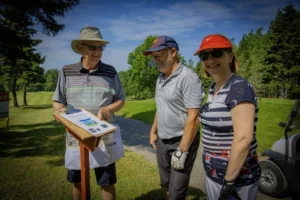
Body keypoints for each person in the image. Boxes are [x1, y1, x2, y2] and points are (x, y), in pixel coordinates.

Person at [52, 26, 125, 200]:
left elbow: (121, 99)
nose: (97, 52)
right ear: (80, 48)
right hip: (76, 135)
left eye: (100, 47)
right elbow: (58, 100)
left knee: (106, 181)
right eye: (92, 47)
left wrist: (108, 109)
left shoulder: (110, 71)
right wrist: (60, 113)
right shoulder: (66, 71)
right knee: (78, 180)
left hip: (103, 136)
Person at [193, 34, 261, 200]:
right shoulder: (213, 88)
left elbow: (244, 138)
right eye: (204, 55)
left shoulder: (238, 87)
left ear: (230, 55)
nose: (210, 60)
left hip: (235, 178)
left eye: (216, 53)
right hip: (215, 173)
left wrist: (229, 181)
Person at [143, 35, 205, 200]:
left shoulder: (188, 77)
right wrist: (153, 131)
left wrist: (182, 150)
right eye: (154, 57)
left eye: (158, 55)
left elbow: (194, 118)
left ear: (173, 51)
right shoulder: (160, 78)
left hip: (182, 140)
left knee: (176, 192)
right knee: (166, 183)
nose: (156, 60)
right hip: (163, 140)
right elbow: (160, 107)